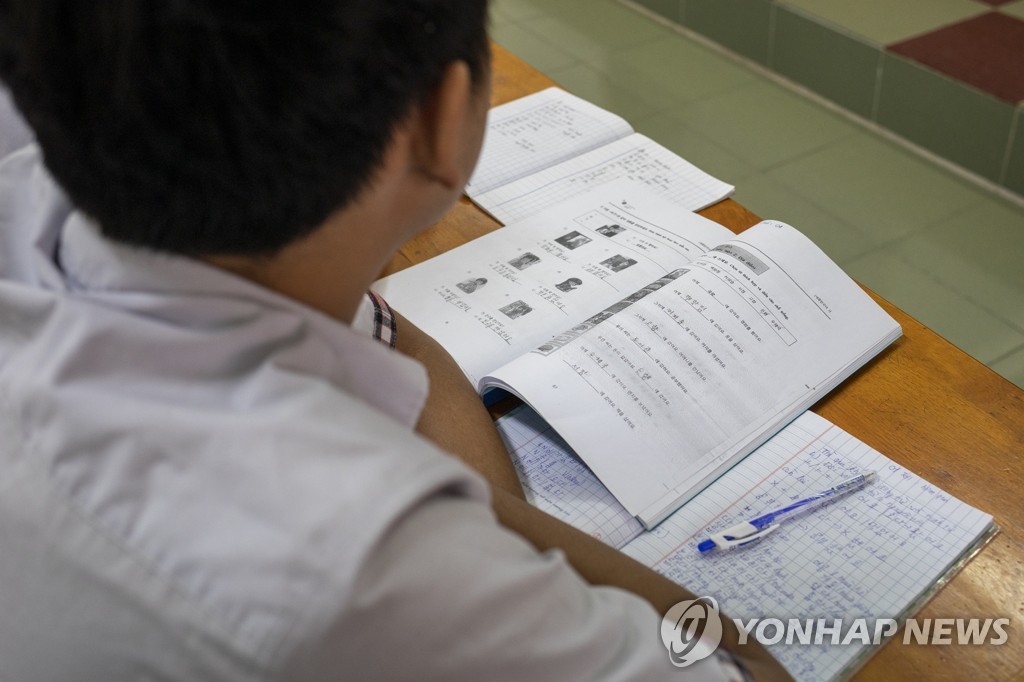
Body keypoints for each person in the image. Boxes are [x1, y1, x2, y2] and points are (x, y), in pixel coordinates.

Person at [0, 1, 788, 680]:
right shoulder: (359, 566)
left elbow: (391, 338)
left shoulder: (34, 190)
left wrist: (472, 540)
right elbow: (741, 666)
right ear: (444, 120)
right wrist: (473, 557)